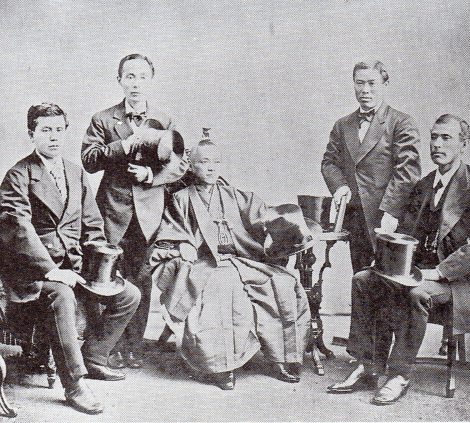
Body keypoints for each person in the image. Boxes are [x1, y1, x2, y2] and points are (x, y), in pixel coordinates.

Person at [326, 114, 470, 405]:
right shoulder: (424, 185)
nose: (437, 144)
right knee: (364, 280)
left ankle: (399, 374)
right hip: (419, 271)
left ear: (463, 144)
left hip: (459, 282)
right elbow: (407, 233)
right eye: (434, 137)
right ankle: (368, 365)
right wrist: (388, 253)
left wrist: (441, 271)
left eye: (446, 138)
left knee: (416, 293)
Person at [0, 103, 141, 414]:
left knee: (129, 295)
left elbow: (92, 224)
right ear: (31, 135)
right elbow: (18, 229)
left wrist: (102, 262)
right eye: (45, 130)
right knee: (62, 295)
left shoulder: (75, 173)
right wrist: (52, 271)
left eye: (58, 130)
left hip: (73, 267)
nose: (53, 137)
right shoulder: (18, 175)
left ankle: (93, 357)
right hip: (31, 274)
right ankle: (74, 384)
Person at [150, 140, 311, 390]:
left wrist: (286, 227)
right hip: (206, 263)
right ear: (191, 165)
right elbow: (169, 232)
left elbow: (264, 219)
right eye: (204, 162)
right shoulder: (180, 199)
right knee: (224, 286)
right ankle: (222, 366)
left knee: (281, 281)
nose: (211, 168)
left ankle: (281, 357)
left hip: (243, 260)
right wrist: (182, 244)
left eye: (216, 162)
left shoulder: (237, 196)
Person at [81, 53, 188, 368]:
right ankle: (104, 347)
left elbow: (180, 165)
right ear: (119, 81)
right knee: (105, 277)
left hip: (149, 214)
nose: (136, 83)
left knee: (141, 279)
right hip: (112, 211)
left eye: (142, 77)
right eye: (129, 76)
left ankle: (133, 347)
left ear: (150, 80)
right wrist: (123, 146)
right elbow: (89, 160)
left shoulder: (165, 120)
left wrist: (151, 176)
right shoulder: (103, 119)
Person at [321, 60, 421, 273]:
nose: (365, 90)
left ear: (385, 84)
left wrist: (391, 212)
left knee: (391, 281)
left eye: (372, 83)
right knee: (360, 278)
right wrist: (340, 186)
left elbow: (407, 171)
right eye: (360, 83)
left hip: (389, 218)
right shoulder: (342, 125)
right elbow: (329, 162)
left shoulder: (401, 123)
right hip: (356, 219)